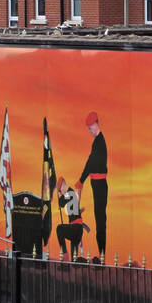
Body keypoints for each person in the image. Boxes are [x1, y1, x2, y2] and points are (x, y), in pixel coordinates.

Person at [77, 111, 108, 264]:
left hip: (100, 186)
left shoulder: (100, 142)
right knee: (99, 220)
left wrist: (81, 180)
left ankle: (102, 259)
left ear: (96, 124)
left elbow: (92, 163)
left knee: (100, 221)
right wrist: (82, 180)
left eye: (91, 127)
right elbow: (90, 161)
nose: (89, 131)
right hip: (96, 185)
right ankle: (101, 256)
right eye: (88, 129)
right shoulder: (96, 142)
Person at [55, 177, 89, 261]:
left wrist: (60, 200)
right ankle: (85, 262)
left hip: (75, 228)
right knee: (74, 260)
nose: (60, 193)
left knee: (59, 229)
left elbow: (60, 202)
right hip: (77, 229)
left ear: (63, 186)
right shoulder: (71, 194)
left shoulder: (70, 192)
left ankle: (65, 256)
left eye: (59, 191)